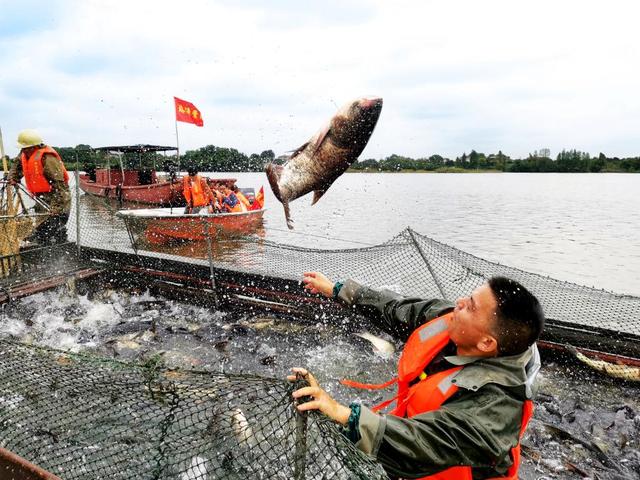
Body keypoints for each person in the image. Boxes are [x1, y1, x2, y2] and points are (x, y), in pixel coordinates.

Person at [290, 272, 544, 480]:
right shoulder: (457, 322)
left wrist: (342, 412)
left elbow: (426, 442)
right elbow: (400, 309)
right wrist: (340, 290)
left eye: (471, 307)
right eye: (469, 296)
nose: (459, 302)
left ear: (487, 343)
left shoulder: (498, 405)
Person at [7, 129, 71, 245]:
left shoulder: (47, 158)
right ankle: (42, 247)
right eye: (22, 148)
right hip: (41, 197)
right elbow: (17, 165)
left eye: (25, 148)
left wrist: (56, 207)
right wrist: (13, 177)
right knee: (41, 228)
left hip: (57, 196)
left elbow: (59, 184)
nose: (23, 151)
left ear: (34, 147)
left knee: (55, 227)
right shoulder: (24, 153)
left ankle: (60, 254)